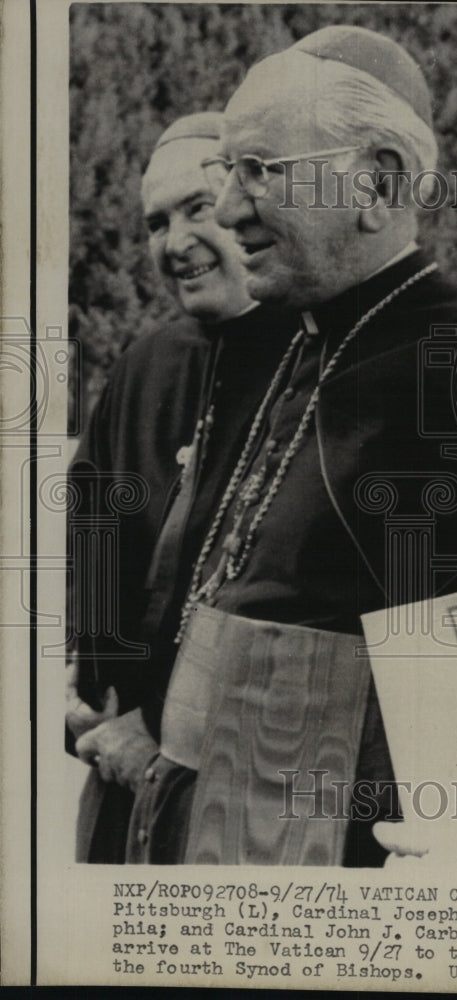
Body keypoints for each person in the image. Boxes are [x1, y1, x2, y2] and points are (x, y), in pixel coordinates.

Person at [123, 26, 457, 866]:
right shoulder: (293, 339)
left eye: (261, 171)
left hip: (328, 850)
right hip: (220, 822)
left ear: (377, 184)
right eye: (229, 172)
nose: (230, 209)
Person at [66, 111, 301, 862]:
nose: (175, 244)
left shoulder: (319, 357)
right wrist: (90, 684)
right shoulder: (148, 363)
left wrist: (162, 724)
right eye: (154, 222)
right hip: (117, 767)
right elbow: (93, 515)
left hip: (243, 797)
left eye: (197, 209)